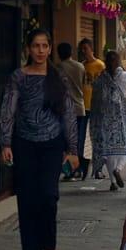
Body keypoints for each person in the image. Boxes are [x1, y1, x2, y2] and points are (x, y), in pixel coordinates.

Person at [0, 30, 79, 250]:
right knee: (27, 201)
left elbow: (68, 114)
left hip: (52, 145)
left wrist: (74, 149)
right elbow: (8, 110)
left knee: (48, 197)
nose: (41, 50)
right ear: (28, 49)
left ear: (50, 48)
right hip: (24, 144)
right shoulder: (18, 77)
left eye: (45, 45)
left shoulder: (58, 78)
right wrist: (5, 142)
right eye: (36, 46)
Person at [89, 50, 126, 189]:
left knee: (109, 152)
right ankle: (118, 170)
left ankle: (113, 182)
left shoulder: (100, 79)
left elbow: (95, 102)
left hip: (105, 120)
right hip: (122, 117)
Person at [56, 41, 88, 182]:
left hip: (65, 109)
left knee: (67, 142)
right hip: (80, 107)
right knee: (78, 141)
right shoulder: (80, 67)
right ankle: (79, 169)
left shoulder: (58, 68)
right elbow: (83, 84)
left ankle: (70, 170)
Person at [76, 39, 105, 179]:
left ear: (92, 49)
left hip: (96, 108)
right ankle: (83, 168)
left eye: (86, 49)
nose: (84, 52)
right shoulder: (81, 67)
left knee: (96, 139)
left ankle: (98, 168)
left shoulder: (100, 65)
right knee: (82, 139)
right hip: (83, 107)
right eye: (82, 49)